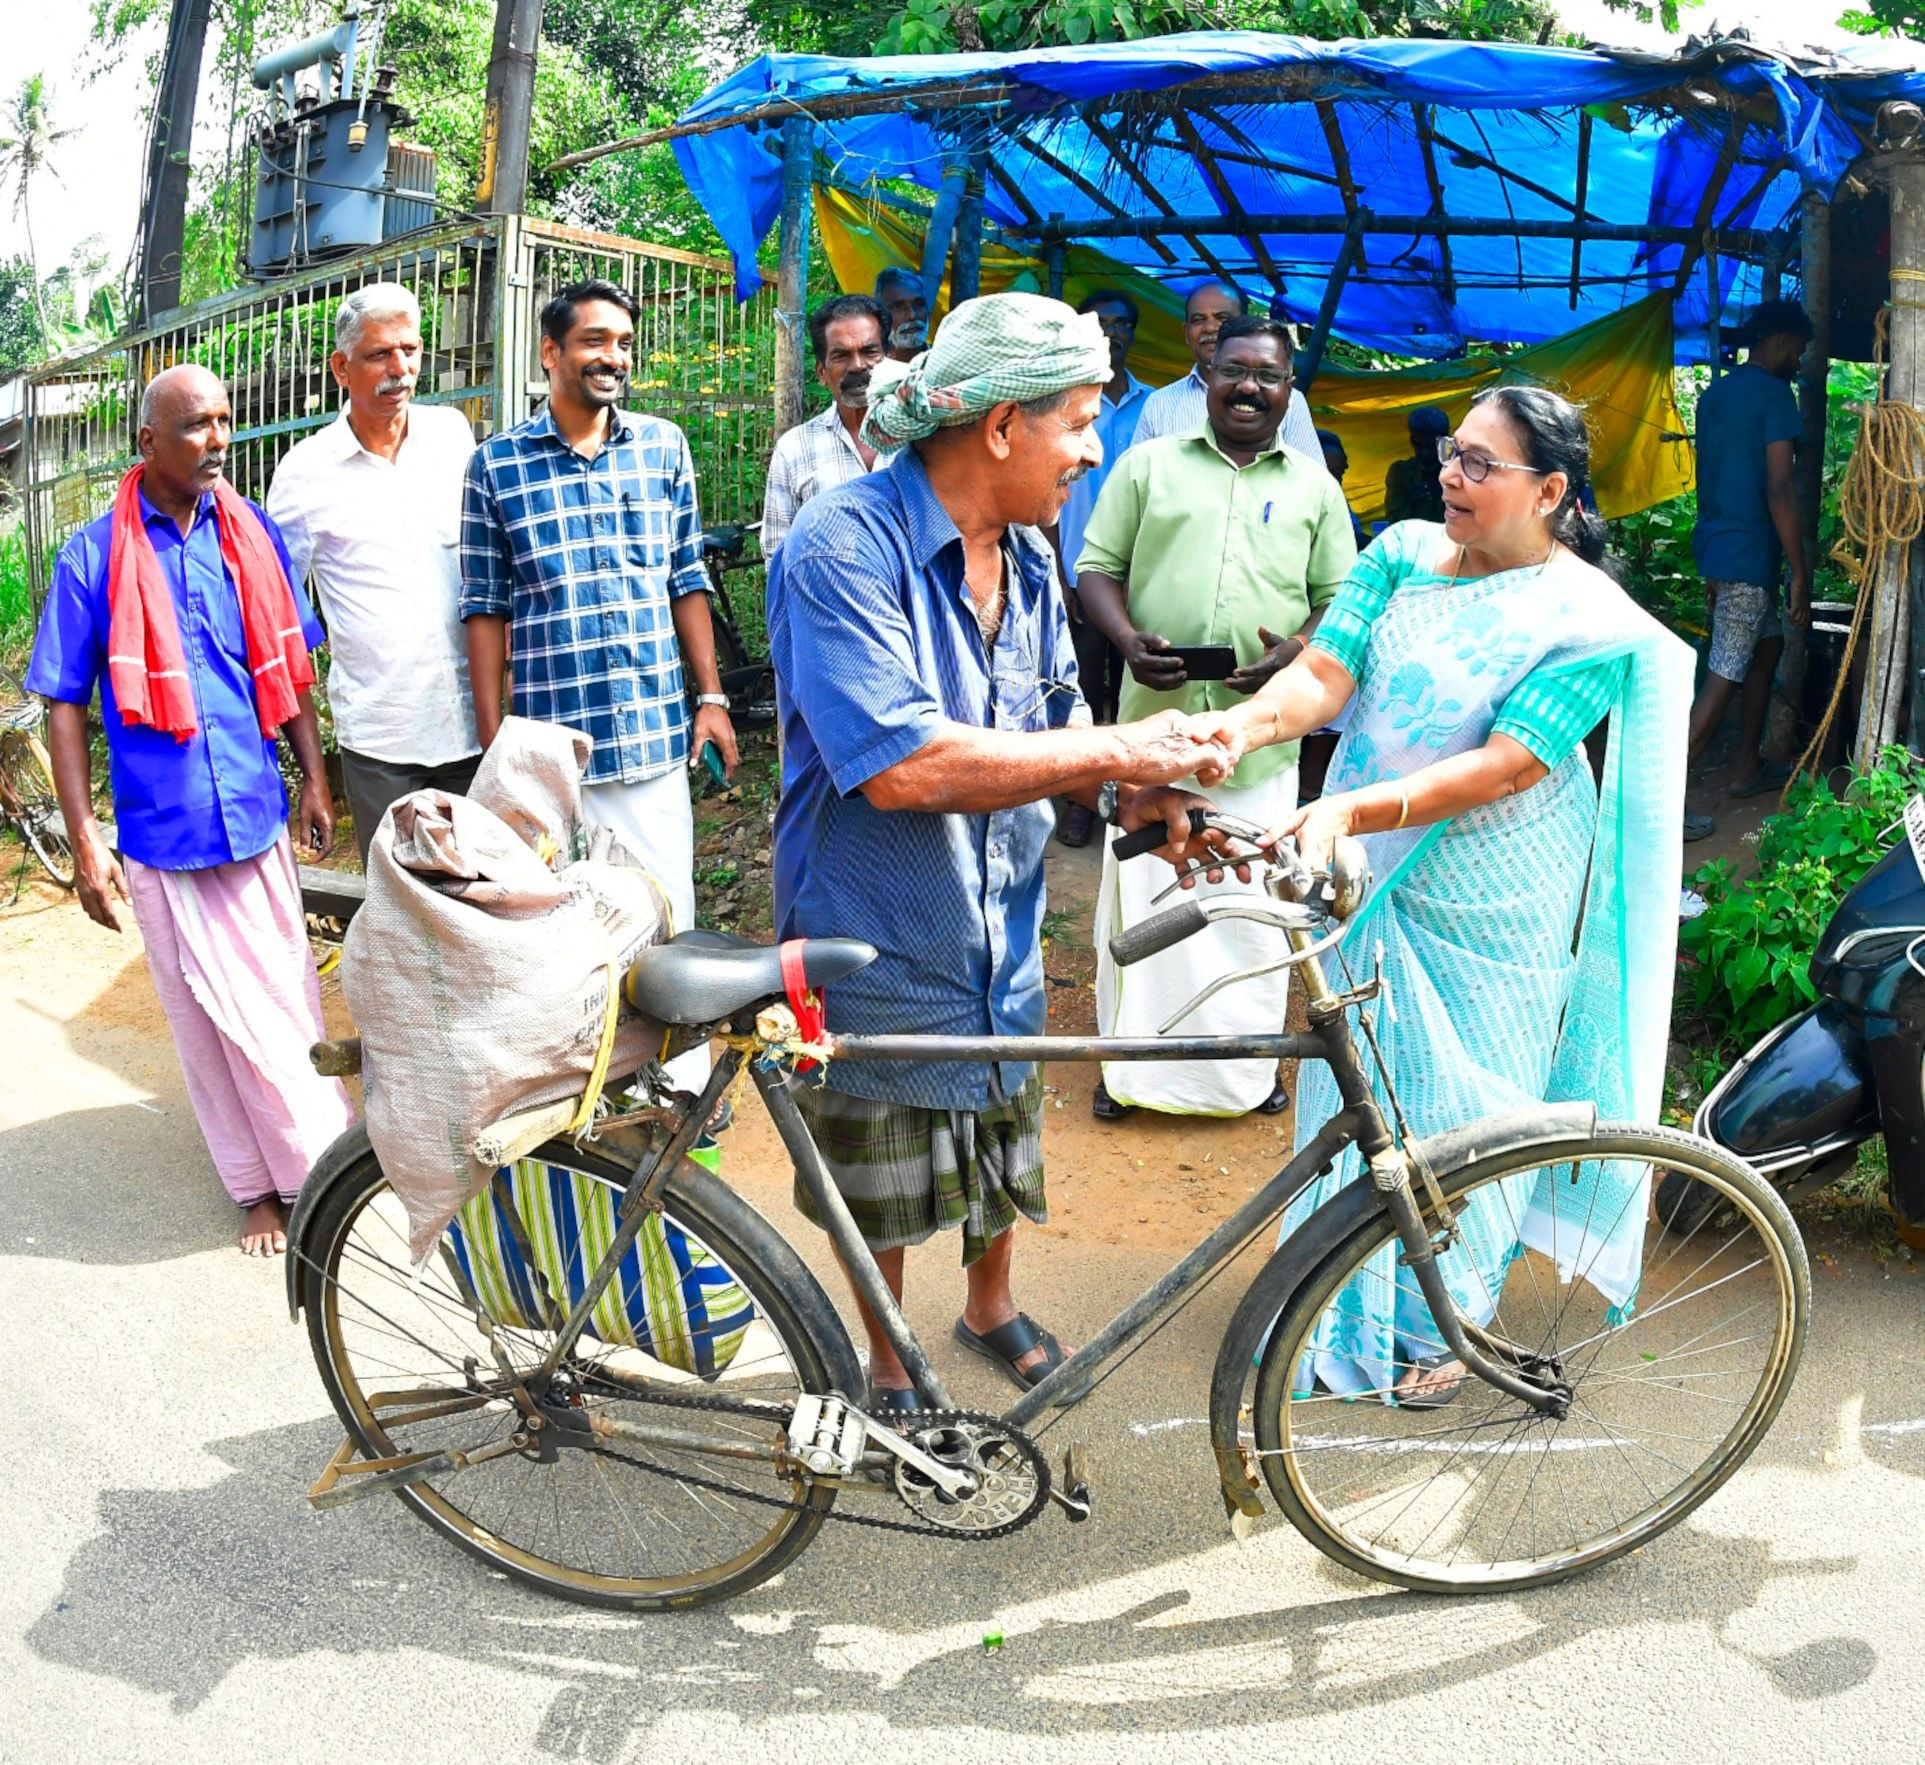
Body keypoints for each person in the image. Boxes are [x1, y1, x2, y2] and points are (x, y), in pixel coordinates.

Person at [1153, 385, 1690, 1405]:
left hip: (1501, 886)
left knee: (1469, 1096)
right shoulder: (1399, 552)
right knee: (1360, 1075)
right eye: (1454, 454)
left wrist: (1349, 812)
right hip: (1365, 865)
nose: (1451, 474)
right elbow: (1322, 674)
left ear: (1549, 491)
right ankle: (1333, 1299)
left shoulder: (1583, 619)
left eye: (1481, 464)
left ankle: (1451, 1320)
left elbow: (1505, 765)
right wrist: (1245, 729)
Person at [765, 291, 1229, 1414]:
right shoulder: (842, 544)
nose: (1090, 449)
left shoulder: (1023, 559)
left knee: (995, 1130)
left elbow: (1055, 715)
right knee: (874, 1165)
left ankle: (985, 1305)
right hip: (870, 931)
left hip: (999, 927)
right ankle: (884, 1361)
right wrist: (1122, 741)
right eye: (1079, 420)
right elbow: (902, 766)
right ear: (1002, 427)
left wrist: (1131, 785)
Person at [27, 365, 356, 1256]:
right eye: (195, 426)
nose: (218, 439)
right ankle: (256, 1187)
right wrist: (86, 837)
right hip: (160, 833)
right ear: (148, 443)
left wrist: (314, 778)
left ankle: (320, 1170)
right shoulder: (91, 557)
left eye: (223, 420)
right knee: (204, 1017)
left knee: (285, 1002)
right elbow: (64, 702)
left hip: (252, 815)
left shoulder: (251, 537)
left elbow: (289, 671)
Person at [1075, 316, 1357, 1120]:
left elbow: (1340, 600)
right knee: (1147, 907)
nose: (1248, 387)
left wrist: (1296, 651)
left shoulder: (1313, 489)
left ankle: (1245, 1075)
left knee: (1251, 912)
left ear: (1286, 390)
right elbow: (1096, 567)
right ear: (1207, 377)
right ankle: (1128, 1072)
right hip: (1151, 735)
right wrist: (1128, 641)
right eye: (1233, 370)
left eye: (1267, 376)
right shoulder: (1145, 466)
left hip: (1260, 746)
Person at [460, 278, 737, 1093]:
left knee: (666, 921)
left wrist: (712, 697)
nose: (612, 356)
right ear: (551, 353)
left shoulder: (663, 447)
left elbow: (687, 577)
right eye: (593, 341)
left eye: (621, 341)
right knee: (569, 937)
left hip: (651, 737)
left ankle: (680, 1092)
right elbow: (483, 607)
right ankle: (590, 1092)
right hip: (556, 757)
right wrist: (493, 742)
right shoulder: (496, 466)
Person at [266, 283, 481, 863]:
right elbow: (277, 610)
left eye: (410, 350)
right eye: (380, 354)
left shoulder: (452, 436)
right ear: (341, 367)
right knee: (402, 915)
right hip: (383, 741)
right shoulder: (304, 474)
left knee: (486, 909)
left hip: (474, 724)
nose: (401, 368)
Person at [1683, 299, 1815, 841]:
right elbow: (1779, 486)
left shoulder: (1715, 396)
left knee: (1764, 650)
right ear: (1781, 340)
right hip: (1747, 554)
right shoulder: (1772, 395)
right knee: (1725, 673)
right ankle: (1660, 800)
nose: (1800, 363)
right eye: (1799, 351)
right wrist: (1800, 570)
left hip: (1722, 547)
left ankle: (1745, 768)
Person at [1050, 288, 1154, 844]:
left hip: (1145, 578)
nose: (1113, 332)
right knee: (1083, 689)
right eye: (1103, 322)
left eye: (1124, 322)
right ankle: (1081, 800)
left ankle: (1137, 795)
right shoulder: (1061, 402)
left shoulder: (1156, 405)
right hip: (1076, 571)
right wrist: (1054, 574)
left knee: (1139, 689)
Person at [1132, 280, 1325, 463]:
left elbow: (1311, 485)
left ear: (1245, 325)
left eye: (1223, 318)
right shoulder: (1159, 404)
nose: (1210, 327)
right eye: (1198, 320)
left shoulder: (1289, 401)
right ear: (1186, 333)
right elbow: (1137, 480)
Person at [760, 292, 889, 561]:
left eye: (869, 351)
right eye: (841, 355)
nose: (857, 365)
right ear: (821, 372)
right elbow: (778, 556)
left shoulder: (923, 438)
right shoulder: (795, 449)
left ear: (888, 359)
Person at [1382, 404, 1451, 524]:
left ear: (1443, 443)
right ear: (1412, 441)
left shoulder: (1454, 471)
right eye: (1419, 445)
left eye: (1430, 446)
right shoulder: (1401, 472)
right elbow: (1395, 518)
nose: (1425, 453)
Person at [1317, 426, 1370, 549]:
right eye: (1331, 473)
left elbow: (1353, 534)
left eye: (1339, 474)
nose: (1336, 481)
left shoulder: (1336, 498)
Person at [875, 266, 930, 361]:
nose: (912, 315)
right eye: (898, 307)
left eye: (919, 304)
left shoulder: (949, 361)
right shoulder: (868, 370)